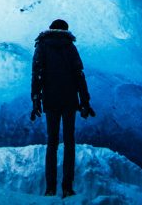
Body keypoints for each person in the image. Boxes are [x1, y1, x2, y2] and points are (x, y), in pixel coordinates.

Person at [30, 19, 96, 198]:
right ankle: (67, 187)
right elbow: (79, 76)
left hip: (50, 101)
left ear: (51, 29)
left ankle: (50, 188)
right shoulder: (70, 47)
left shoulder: (42, 46)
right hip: (69, 101)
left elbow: (37, 74)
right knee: (69, 142)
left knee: (52, 143)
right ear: (66, 30)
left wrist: (36, 100)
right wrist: (85, 101)